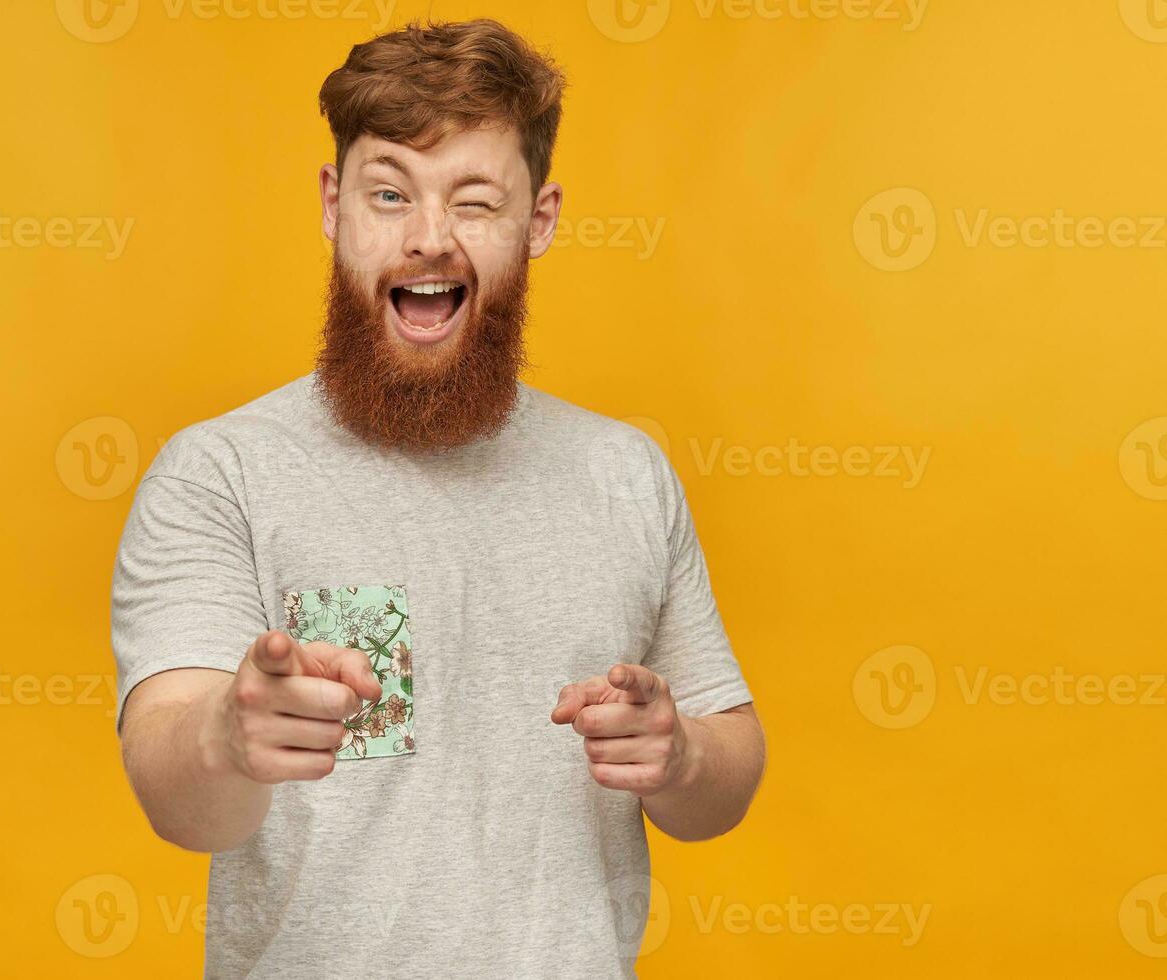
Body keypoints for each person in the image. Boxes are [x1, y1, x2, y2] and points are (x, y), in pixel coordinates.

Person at [110, 17, 765, 979]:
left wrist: (684, 759)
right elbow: (179, 801)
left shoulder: (625, 472)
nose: (428, 239)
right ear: (334, 205)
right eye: (388, 194)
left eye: (473, 202)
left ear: (537, 220)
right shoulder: (219, 473)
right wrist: (228, 735)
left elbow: (723, 778)